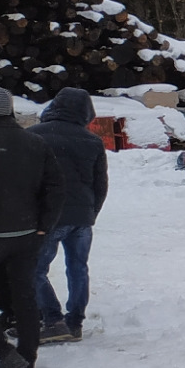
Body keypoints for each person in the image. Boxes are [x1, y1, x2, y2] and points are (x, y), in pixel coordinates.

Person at [0, 86, 65, 368]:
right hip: (28, 234)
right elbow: (56, 187)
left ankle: (4, 354)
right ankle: (27, 364)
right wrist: (44, 225)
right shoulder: (35, 142)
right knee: (25, 299)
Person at [24, 88, 106, 345]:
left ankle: (53, 319)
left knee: (35, 269)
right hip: (82, 217)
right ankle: (75, 322)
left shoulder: (34, 136)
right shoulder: (92, 140)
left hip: (49, 216)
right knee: (78, 268)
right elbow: (100, 183)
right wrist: (91, 212)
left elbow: (27, 180)